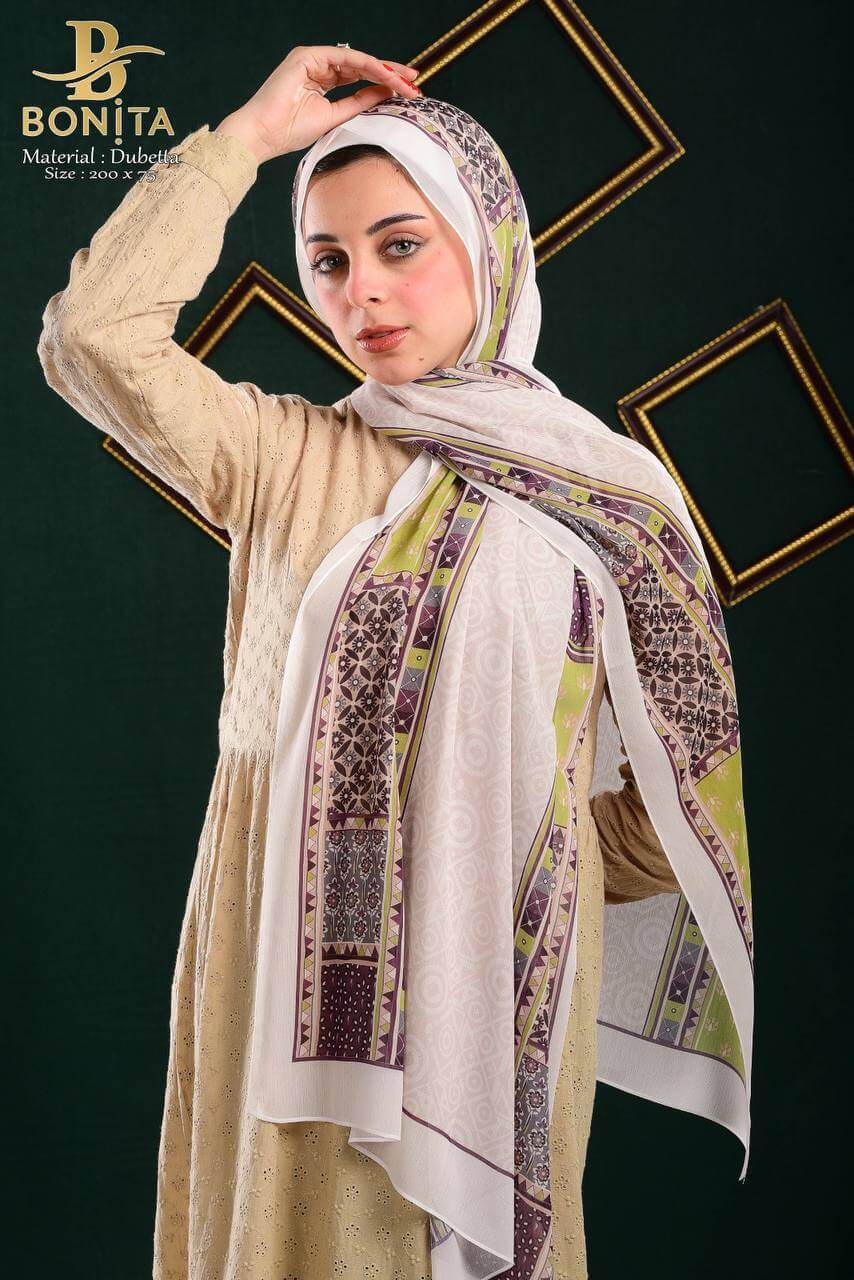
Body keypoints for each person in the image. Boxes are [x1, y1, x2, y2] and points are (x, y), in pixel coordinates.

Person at [36, 45, 751, 1280]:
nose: (361, 289)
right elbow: (91, 337)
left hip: (486, 995)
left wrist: (506, 871)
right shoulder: (285, 459)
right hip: (281, 983)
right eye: (327, 259)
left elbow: (682, 791)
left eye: (399, 245)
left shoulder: (613, 504)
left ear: (488, 242)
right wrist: (247, 136)